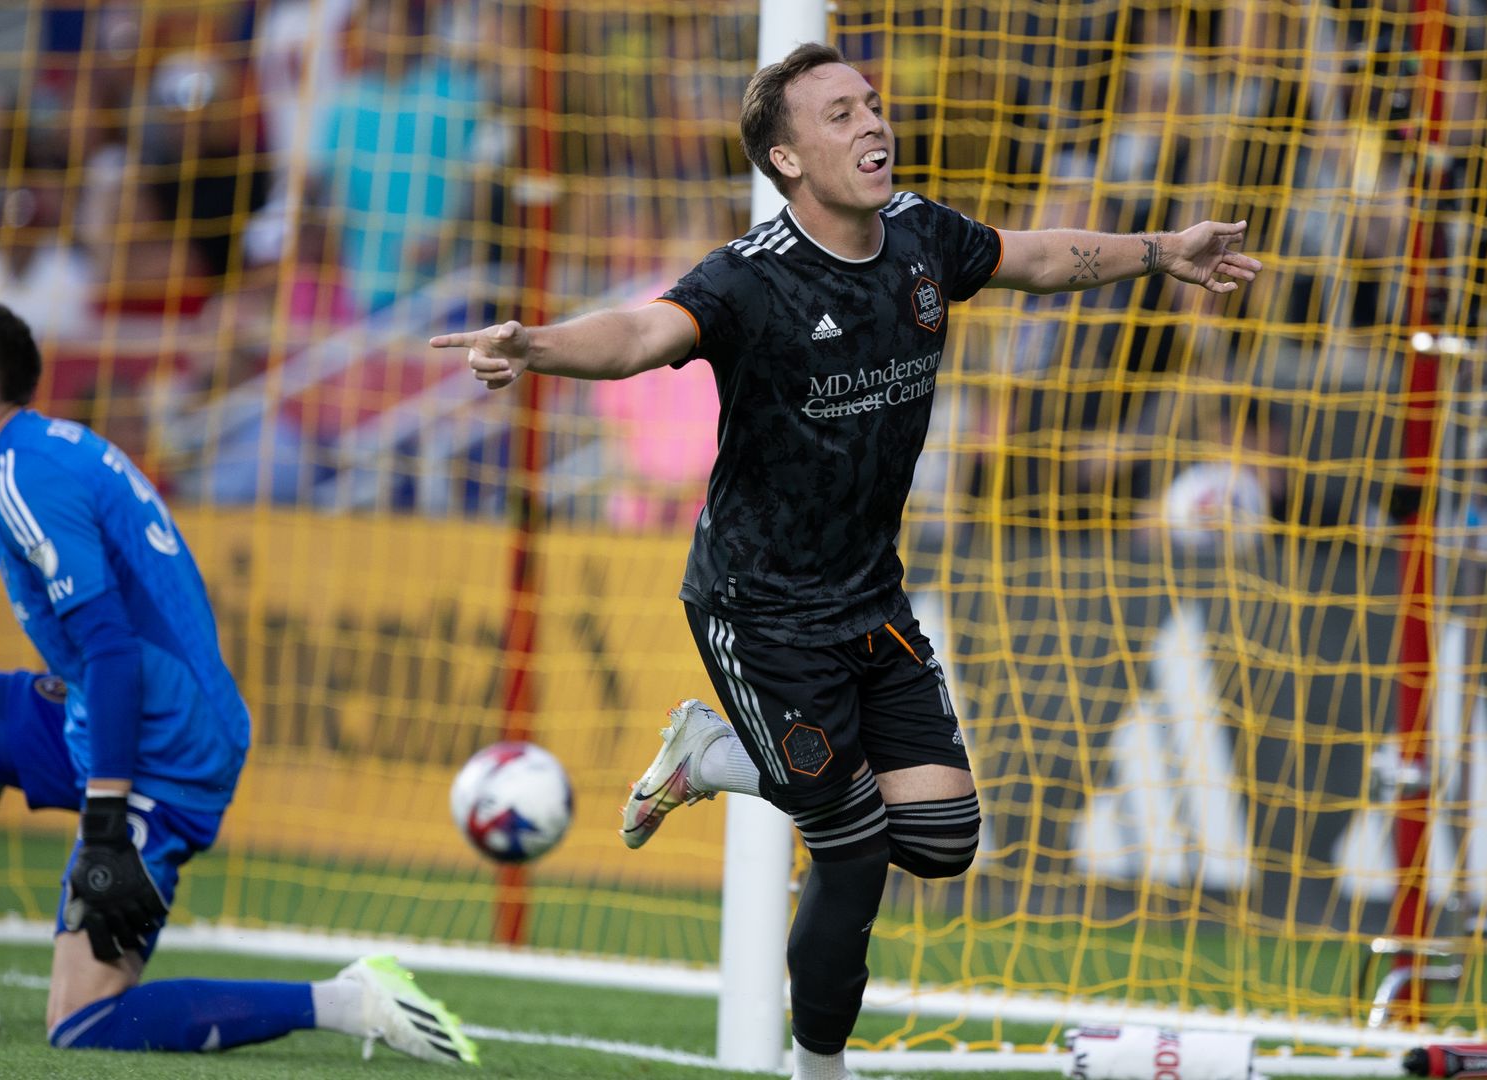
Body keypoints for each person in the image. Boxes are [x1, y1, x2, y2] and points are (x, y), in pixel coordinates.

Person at [430, 43, 1260, 1080]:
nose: (871, 124)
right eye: (837, 116)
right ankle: (816, 1069)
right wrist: (537, 344)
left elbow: (1038, 257)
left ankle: (718, 758)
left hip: (871, 594)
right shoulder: (750, 281)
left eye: (870, 103)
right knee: (853, 848)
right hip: (758, 609)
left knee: (945, 840)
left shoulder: (920, 237)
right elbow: (644, 332)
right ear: (785, 158)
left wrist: (1161, 248)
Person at [0, 292, 476, 1066]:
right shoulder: (40, 451)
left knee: (84, 1023)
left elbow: (110, 650)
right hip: (114, 716)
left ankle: (349, 998)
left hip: (164, 754)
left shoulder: (24, 475)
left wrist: (104, 821)